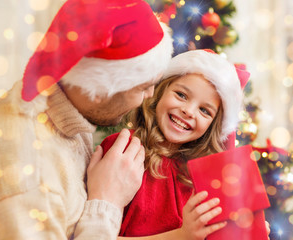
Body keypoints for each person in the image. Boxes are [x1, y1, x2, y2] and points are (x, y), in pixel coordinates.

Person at [0, 0, 173, 239]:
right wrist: (107, 202)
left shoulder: (66, 100)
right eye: (143, 87)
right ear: (99, 91)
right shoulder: (28, 178)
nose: (149, 96)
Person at [97, 49, 267, 239]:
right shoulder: (123, 150)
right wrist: (182, 235)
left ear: (212, 126)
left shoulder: (205, 179)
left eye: (204, 110)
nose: (189, 111)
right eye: (182, 95)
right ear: (160, 91)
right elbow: (95, 233)